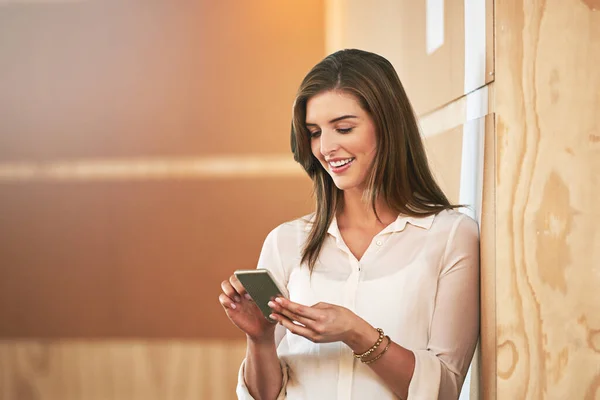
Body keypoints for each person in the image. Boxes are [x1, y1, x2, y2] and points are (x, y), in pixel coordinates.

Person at [218, 49, 480, 400]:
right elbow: (265, 396)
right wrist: (259, 337)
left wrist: (357, 333)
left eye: (343, 128)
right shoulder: (286, 242)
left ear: (387, 125)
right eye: (314, 132)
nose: (325, 147)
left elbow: (445, 388)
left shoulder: (450, 236)